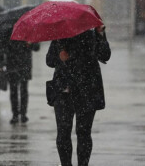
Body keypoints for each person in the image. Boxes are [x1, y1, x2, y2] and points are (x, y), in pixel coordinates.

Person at [46, 25, 111, 166]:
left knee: (83, 132)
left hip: (87, 90)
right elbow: (50, 61)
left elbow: (105, 55)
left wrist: (100, 34)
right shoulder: (59, 37)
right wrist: (60, 53)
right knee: (63, 132)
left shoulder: (92, 36)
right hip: (64, 91)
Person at [5, 40, 40, 124]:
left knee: (23, 90)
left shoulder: (29, 32)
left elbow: (37, 47)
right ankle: (15, 114)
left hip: (25, 65)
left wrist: (30, 44)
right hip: (12, 65)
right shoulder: (9, 30)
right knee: (13, 91)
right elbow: (4, 46)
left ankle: (23, 114)